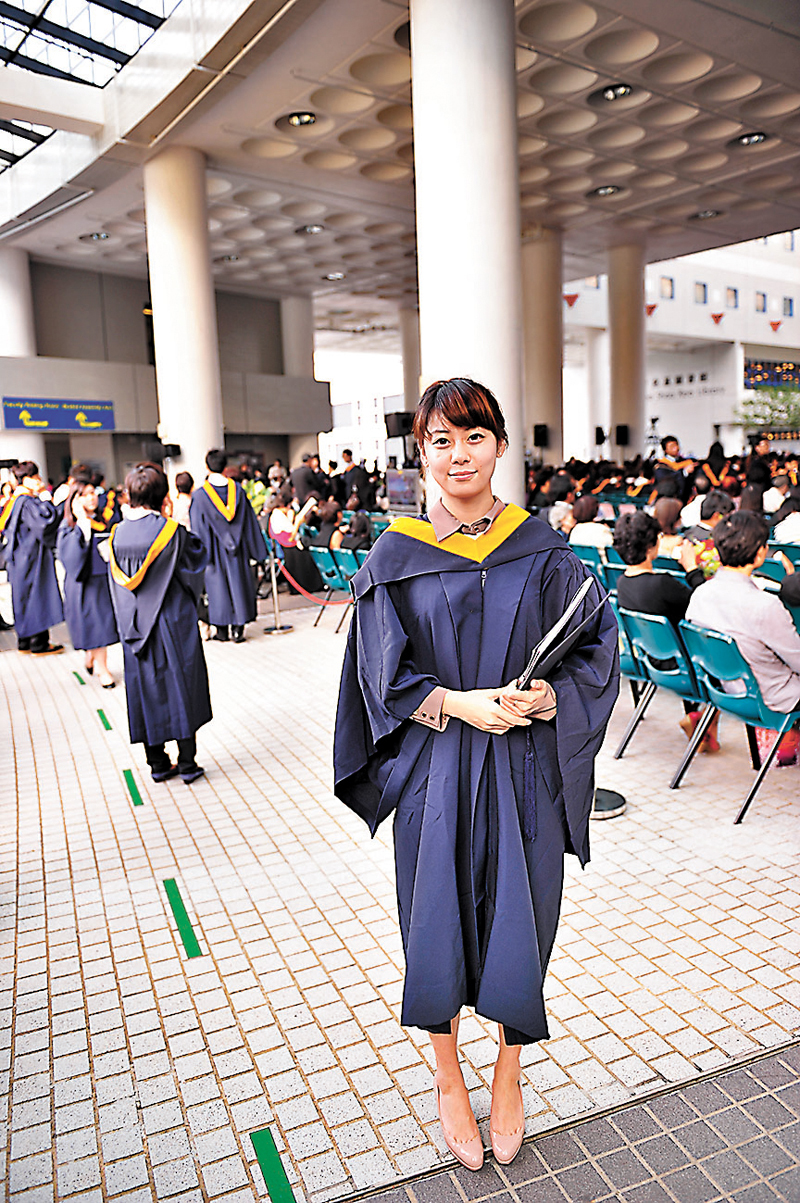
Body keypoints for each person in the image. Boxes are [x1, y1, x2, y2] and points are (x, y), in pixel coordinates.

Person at [334, 378, 618, 1171]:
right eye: (441, 440)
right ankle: (448, 1073)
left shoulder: (543, 550)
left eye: (474, 437)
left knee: (524, 917)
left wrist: (550, 696)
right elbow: (378, 675)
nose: (459, 454)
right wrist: (457, 703)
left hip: (524, 767)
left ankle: (509, 1070)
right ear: (421, 454)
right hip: (439, 769)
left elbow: (597, 649)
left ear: (498, 446)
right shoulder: (395, 557)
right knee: (436, 920)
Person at [106, 462, 210, 784]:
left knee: (144, 689)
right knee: (181, 686)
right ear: (163, 496)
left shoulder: (116, 535)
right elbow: (195, 565)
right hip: (172, 623)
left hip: (134, 626)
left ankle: (157, 763)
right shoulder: (171, 532)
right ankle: (188, 763)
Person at [614, 510, 719, 750]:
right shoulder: (662, 584)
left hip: (650, 662)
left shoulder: (621, 583)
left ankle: (701, 722)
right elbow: (704, 604)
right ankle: (700, 718)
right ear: (652, 546)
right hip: (685, 668)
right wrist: (691, 568)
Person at [189, 449, 266, 643]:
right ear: (225, 467)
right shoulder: (237, 491)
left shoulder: (200, 496)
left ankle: (222, 631)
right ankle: (238, 630)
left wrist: (201, 553)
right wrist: (256, 550)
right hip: (238, 550)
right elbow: (250, 523)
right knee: (239, 584)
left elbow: (198, 528)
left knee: (218, 588)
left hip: (214, 551)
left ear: (207, 467)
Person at [57, 474, 119, 687]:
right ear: (75, 500)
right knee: (95, 626)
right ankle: (103, 669)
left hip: (103, 581)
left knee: (99, 626)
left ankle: (92, 657)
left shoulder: (103, 520)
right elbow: (71, 559)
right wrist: (82, 521)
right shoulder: (69, 525)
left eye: (93, 493)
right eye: (85, 495)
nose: (91, 498)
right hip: (84, 583)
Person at [0, 461, 64, 654]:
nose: (39, 481)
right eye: (35, 477)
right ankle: (39, 643)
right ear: (26, 479)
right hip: (31, 558)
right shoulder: (27, 502)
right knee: (37, 597)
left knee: (23, 599)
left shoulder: (15, 500)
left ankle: (25, 642)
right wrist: (49, 500)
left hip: (20, 558)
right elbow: (45, 524)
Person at [267, 484, 324, 593]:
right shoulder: (278, 515)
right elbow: (291, 535)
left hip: (285, 543)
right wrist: (297, 521)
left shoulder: (279, 513)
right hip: (287, 545)